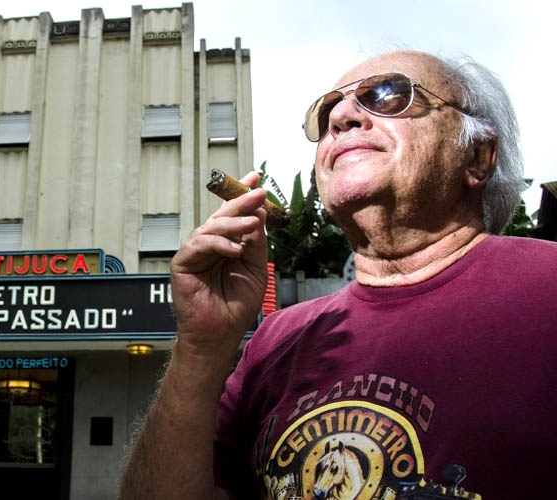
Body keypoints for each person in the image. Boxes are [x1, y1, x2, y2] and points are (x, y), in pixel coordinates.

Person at [120, 49, 557, 500]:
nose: (342, 116)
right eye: (330, 109)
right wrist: (200, 347)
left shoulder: (549, 288)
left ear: (477, 157)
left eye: (387, 95)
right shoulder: (276, 339)